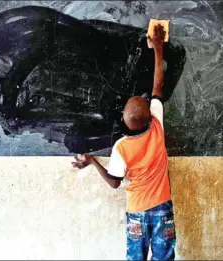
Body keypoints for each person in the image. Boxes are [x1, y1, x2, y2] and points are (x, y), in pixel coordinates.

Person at [71, 24, 176, 261]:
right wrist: (158, 48)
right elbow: (158, 85)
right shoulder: (157, 125)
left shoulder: (121, 147)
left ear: (124, 121)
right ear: (150, 115)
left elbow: (115, 182)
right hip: (162, 210)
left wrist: (93, 162)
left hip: (137, 211)